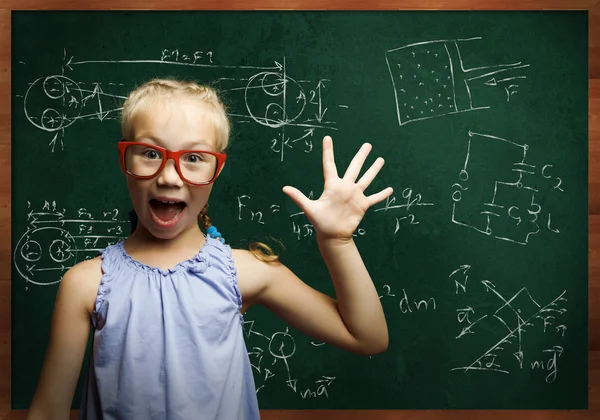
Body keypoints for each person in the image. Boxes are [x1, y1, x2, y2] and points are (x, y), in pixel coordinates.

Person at [26, 78, 394, 420]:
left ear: (216, 171)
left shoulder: (244, 271)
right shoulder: (86, 283)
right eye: (150, 153)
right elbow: (47, 412)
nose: (169, 176)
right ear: (125, 160)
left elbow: (368, 337)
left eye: (194, 158)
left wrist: (336, 241)